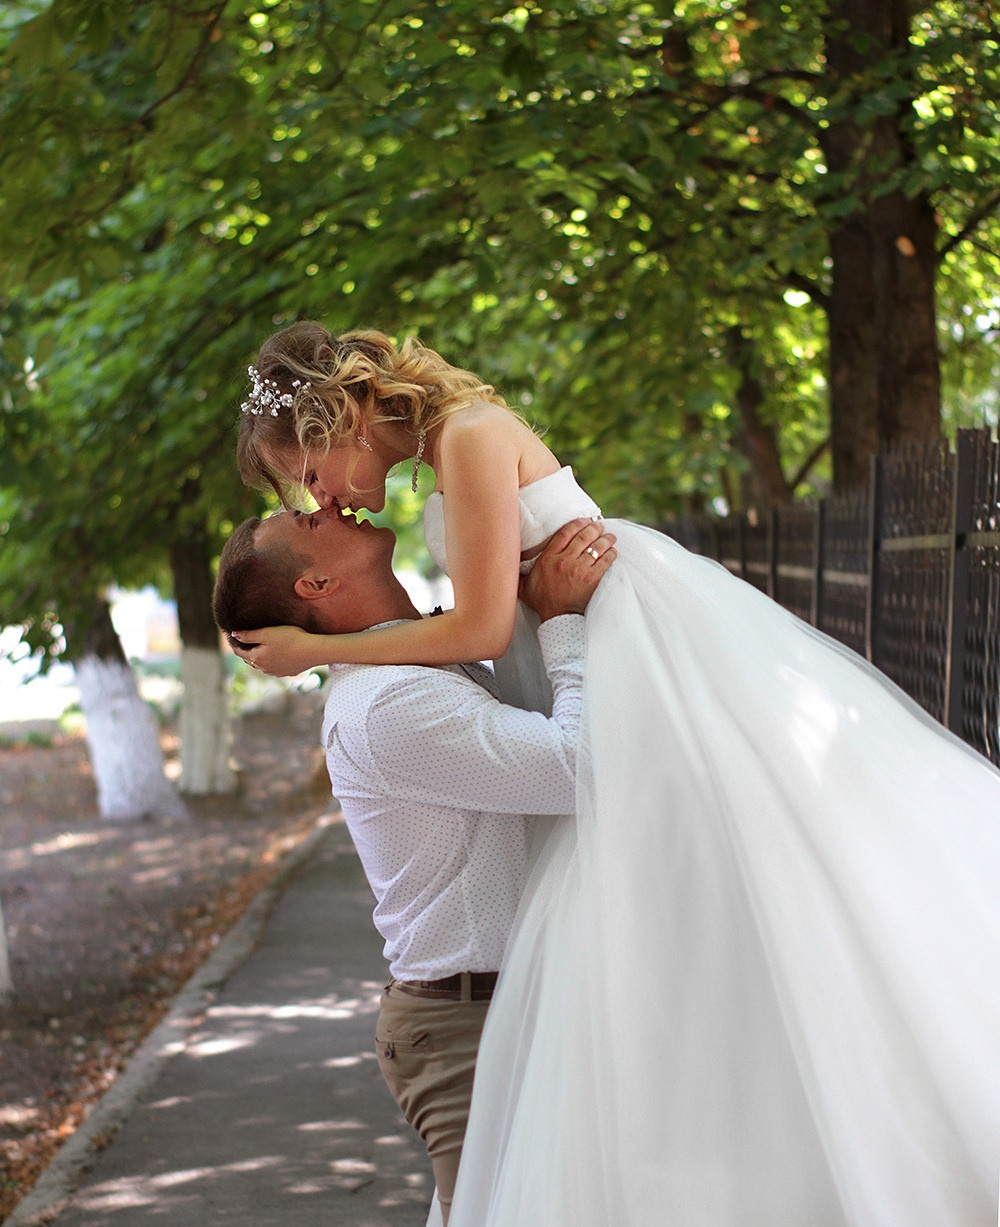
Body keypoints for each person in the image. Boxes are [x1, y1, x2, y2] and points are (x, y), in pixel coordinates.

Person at [231, 322, 1000, 1225]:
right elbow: (481, 631)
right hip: (583, 663)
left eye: (311, 474)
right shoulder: (445, 457)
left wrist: (322, 649)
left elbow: (479, 631)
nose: (325, 497)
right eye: (307, 495)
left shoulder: (467, 436)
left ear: (338, 418)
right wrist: (335, 652)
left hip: (622, 655)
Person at [212, 504, 617, 1224]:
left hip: (496, 1003)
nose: (329, 504)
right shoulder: (389, 702)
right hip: (466, 1024)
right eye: (307, 523)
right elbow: (576, 768)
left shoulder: (412, 659)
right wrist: (562, 622)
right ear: (318, 584)